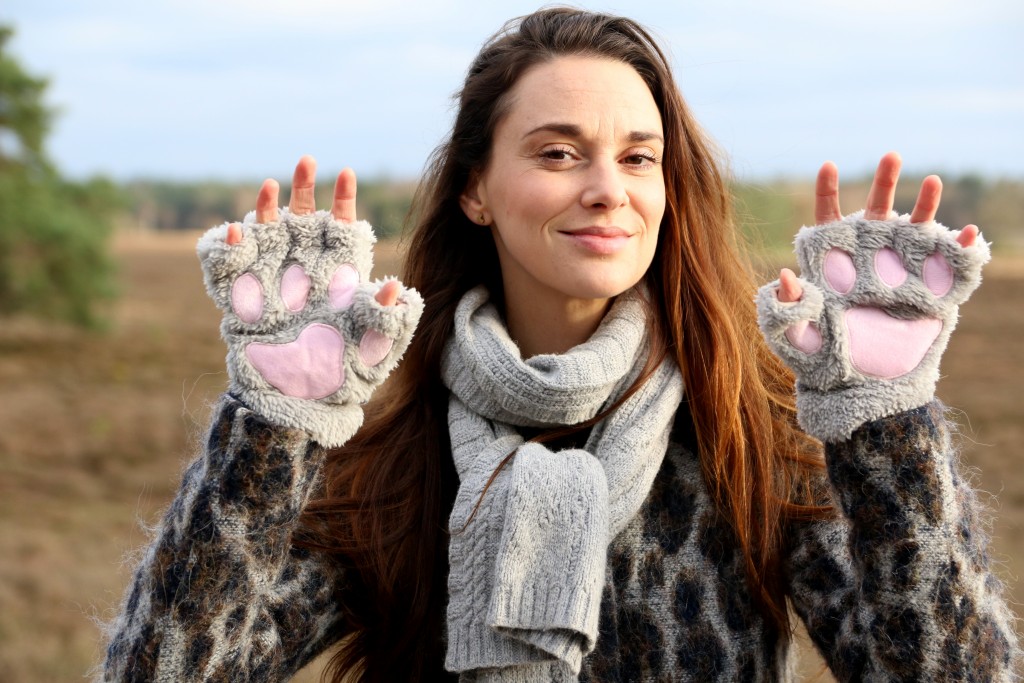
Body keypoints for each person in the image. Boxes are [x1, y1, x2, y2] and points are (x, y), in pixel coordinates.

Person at [98, 7, 1019, 682]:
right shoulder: (393, 469)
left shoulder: (752, 442)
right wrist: (273, 421)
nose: (608, 189)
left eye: (638, 156)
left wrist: (889, 423)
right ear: (475, 190)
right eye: (556, 152)